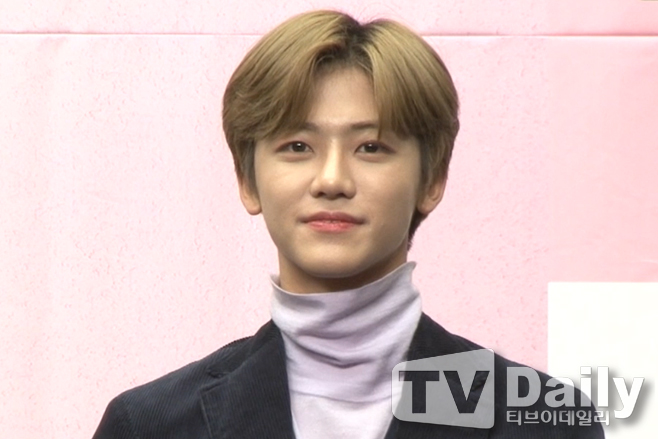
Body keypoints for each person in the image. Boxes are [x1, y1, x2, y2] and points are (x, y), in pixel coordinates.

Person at [92, 10, 604, 439]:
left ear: (432, 179)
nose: (332, 179)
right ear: (248, 181)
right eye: (297, 146)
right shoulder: (150, 426)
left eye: (371, 147)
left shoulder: (543, 422)